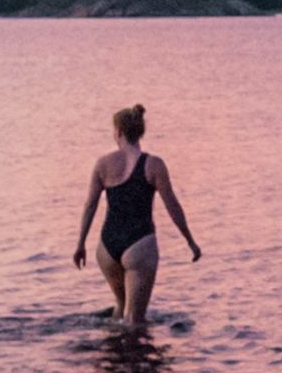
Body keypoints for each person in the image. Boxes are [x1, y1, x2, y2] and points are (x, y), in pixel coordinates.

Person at [72, 101, 198, 329]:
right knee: (135, 321)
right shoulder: (154, 165)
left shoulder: (103, 164)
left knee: (120, 309)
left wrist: (80, 244)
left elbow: (90, 205)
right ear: (139, 132)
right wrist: (190, 241)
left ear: (118, 132)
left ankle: (115, 360)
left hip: (107, 247)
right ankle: (137, 362)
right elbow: (173, 206)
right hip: (140, 245)